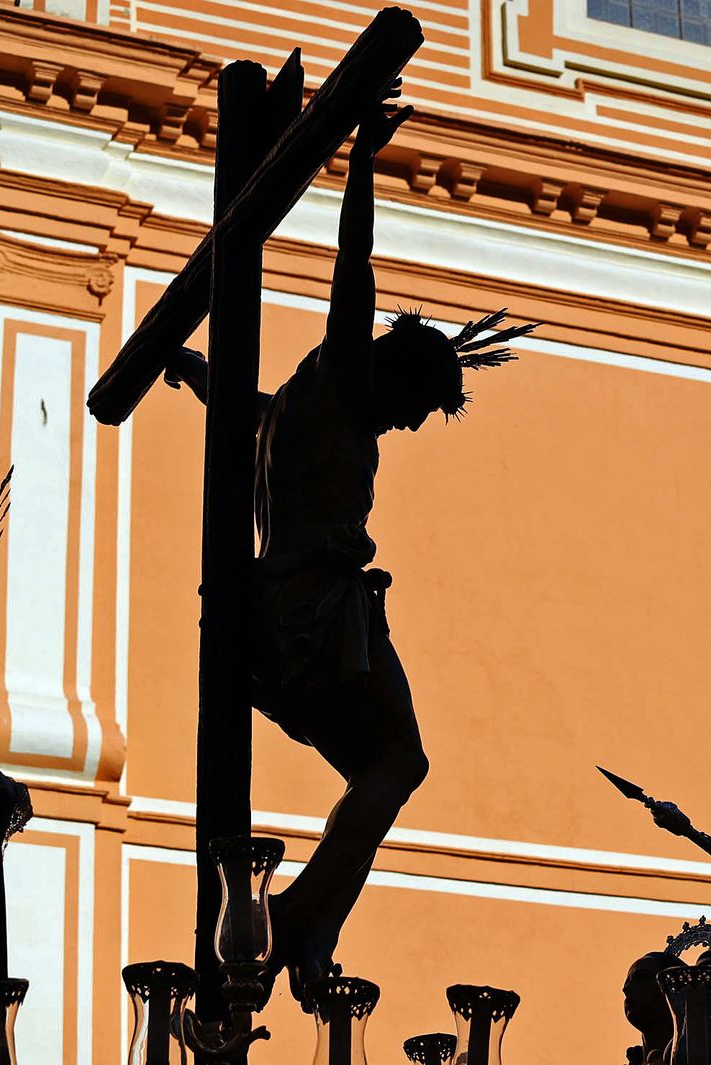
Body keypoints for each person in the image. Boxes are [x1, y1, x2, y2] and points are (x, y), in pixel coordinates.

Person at [164, 86, 533, 1005]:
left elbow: (247, 413)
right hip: (315, 612)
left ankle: (312, 927)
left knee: (382, 772)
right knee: (401, 763)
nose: (406, 425)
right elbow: (352, 265)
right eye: (413, 406)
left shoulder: (298, 409)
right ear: (393, 372)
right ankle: (295, 918)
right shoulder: (338, 379)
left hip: (274, 614)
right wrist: (362, 158)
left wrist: (201, 374)